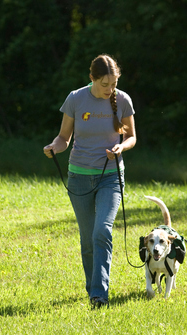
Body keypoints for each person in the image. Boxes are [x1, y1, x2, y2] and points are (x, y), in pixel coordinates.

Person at [43, 54, 136, 309]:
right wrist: (54, 146)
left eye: (114, 84)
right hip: (79, 178)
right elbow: (64, 138)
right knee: (87, 240)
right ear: (92, 78)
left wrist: (120, 149)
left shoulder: (123, 100)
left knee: (102, 230)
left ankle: (99, 295)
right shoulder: (75, 99)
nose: (110, 89)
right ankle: (92, 288)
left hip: (111, 176)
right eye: (104, 84)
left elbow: (132, 137)